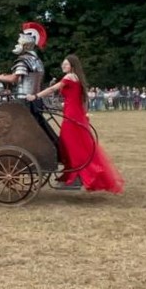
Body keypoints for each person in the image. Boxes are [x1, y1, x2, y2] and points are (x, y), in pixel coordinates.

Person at [28, 53, 124, 194]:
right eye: (63, 64)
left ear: (72, 66)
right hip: (74, 113)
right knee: (76, 143)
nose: (63, 66)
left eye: (66, 64)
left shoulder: (69, 77)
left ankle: (78, 174)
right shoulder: (76, 78)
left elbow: (52, 89)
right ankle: (76, 173)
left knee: (72, 144)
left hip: (72, 115)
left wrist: (35, 96)